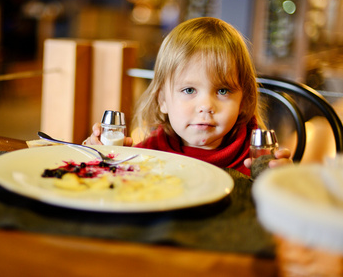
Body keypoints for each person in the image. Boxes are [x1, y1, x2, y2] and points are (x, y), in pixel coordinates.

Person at [85, 17, 291, 176]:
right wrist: (100, 158)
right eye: (189, 90)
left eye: (223, 91)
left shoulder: (258, 157)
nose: (205, 106)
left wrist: (282, 182)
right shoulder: (150, 152)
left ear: (243, 101)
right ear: (162, 100)